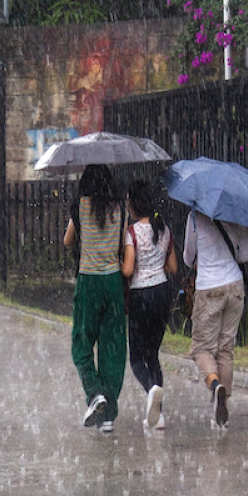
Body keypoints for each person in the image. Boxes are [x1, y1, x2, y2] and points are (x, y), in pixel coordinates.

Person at [63, 164, 127, 434]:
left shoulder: (79, 207)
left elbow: (68, 241)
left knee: (82, 341)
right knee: (113, 348)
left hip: (89, 281)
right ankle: (108, 414)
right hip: (113, 282)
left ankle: (95, 392)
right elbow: (123, 245)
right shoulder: (120, 207)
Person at [183, 211, 248, 428]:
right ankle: (223, 405)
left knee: (201, 349)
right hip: (235, 285)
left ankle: (215, 386)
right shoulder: (235, 213)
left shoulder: (195, 217)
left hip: (209, 287)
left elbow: (188, 256)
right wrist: (231, 253)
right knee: (226, 348)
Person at [121, 180, 179, 430]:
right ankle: (159, 416)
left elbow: (129, 269)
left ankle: (151, 389)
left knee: (136, 358)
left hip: (140, 297)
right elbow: (173, 267)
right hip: (162, 293)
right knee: (153, 355)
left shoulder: (132, 233)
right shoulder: (163, 229)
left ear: (133, 204)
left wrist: (120, 261)